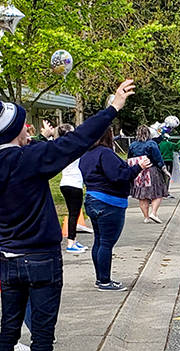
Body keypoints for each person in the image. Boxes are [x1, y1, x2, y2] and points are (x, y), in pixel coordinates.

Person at [0, 80, 136, 351]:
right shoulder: (29, 160)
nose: (28, 130)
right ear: (16, 131)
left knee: (9, 328)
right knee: (43, 334)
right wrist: (112, 108)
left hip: (10, 257)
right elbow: (76, 141)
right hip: (43, 258)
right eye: (24, 125)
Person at [80, 127, 152, 292]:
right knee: (106, 243)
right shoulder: (105, 153)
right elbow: (118, 176)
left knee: (99, 241)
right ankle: (105, 281)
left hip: (92, 199)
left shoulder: (86, 154)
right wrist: (138, 167)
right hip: (109, 202)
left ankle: (100, 278)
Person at [55, 122, 88, 253]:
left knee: (73, 213)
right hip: (74, 183)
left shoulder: (60, 147)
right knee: (74, 213)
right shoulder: (74, 147)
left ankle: (73, 240)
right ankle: (70, 243)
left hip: (65, 182)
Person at [129, 124, 167, 223]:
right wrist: (164, 169)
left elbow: (130, 158)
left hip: (139, 171)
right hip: (151, 170)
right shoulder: (152, 144)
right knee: (158, 193)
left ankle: (146, 217)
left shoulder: (132, 145)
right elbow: (158, 158)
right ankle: (153, 213)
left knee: (142, 195)